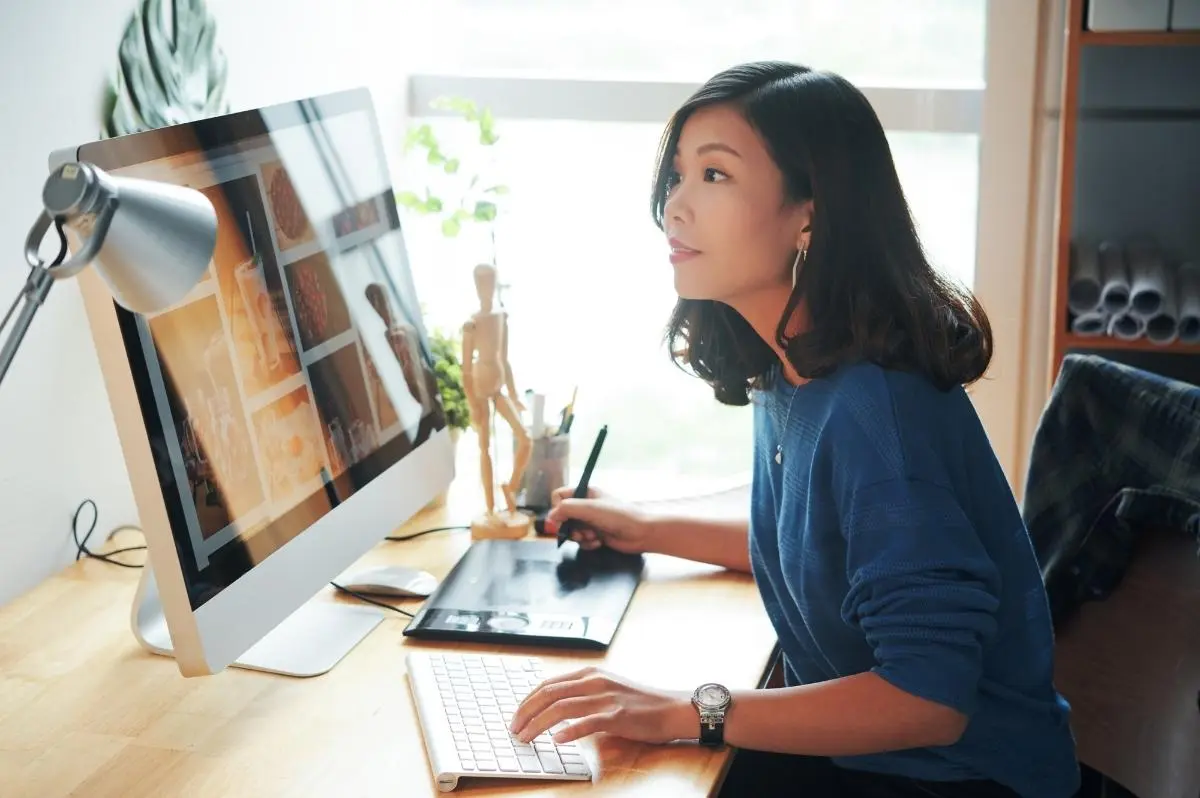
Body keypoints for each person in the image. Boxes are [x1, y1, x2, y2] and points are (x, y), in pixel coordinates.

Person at [507, 62, 1080, 798]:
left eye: (714, 176)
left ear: (809, 213)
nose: (675, 207)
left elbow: (928, 700)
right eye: (677, 175)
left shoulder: (878, 414)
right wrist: (647, 527)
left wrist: (685, 710)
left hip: (955, 783)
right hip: (868, 767)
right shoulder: (794, 370)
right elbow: (823, 556)